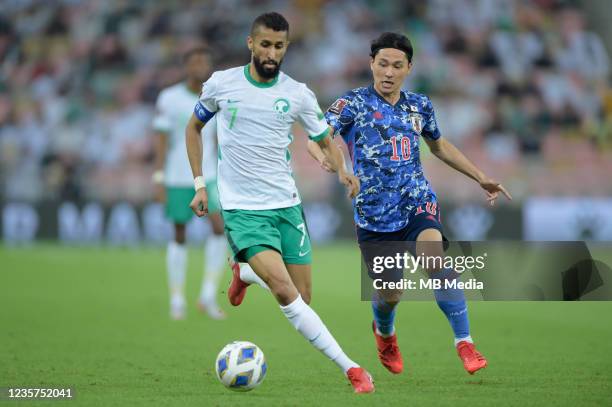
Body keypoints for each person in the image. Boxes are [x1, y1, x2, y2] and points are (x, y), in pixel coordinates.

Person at [185, 12, 374, 393]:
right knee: (287, 294)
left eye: (279, 46)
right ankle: (352, 368)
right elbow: (193, 128)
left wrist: (342, 170)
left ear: (286, 47)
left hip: (286, 205)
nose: (272, 52)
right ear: (251, 43)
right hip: (243, 210)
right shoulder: (221, 85)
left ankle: (246, 273)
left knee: (303, 298)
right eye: (266, 44)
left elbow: (323, 138)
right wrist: (200, 185)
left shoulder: (298, 93)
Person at [313, 32, 512, 376]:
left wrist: (480, 176)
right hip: (373, 216)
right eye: (383, 64)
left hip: (417, 202)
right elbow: (317, 139)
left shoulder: (419, 105)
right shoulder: (352, 103)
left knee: (435, 261)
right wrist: (334, 163)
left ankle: (464, 342)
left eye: (397, 65)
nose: (389, 72)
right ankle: (385, 332)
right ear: (372, 64)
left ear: (409, 68)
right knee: (390, 293)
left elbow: (439, 146)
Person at [152, 47, 226, 320]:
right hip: (176, 175)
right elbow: (161, 139)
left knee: (219, 228)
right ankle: (177, 299)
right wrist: (158, 177)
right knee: (179, 233)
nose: (199, 66)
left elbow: (219, 138)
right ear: (186, 66)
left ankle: (207, 295)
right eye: (194, 61)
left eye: (204, 61)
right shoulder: (169, 98)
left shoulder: (216, 96)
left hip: (208, 175)